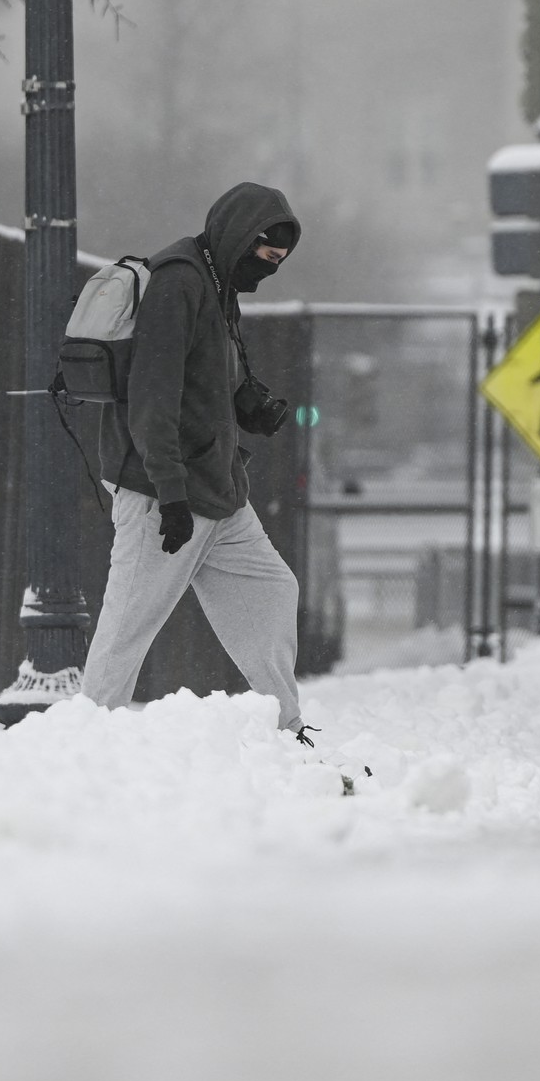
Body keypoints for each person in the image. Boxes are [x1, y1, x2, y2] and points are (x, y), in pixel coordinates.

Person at [82, 183, 317, 745]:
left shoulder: (216, 282)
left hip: (218, 490)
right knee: (128, 625)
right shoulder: (178, 284)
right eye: (264, 259)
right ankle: (86, 741)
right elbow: (153, 395)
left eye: (279, 264)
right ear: (241, 240)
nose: (267, 272)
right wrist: (170, 494)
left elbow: (213, 368)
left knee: (273, 591)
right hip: (166, 493)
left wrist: (249, 403)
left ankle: (285, 732)